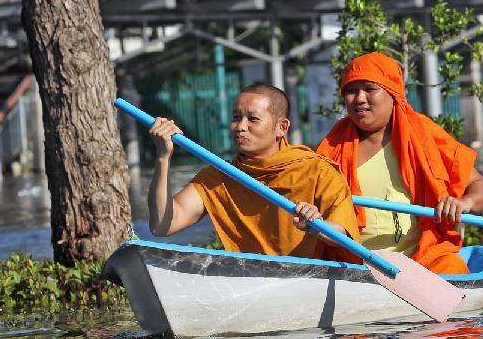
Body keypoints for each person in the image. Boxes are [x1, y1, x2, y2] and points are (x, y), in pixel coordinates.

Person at [316, 52, 483, 275]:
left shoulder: (424, 134)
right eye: (351, 91)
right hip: (355, 266)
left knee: (452, 269)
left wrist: (464, 203)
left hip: (425, 260)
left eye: (370, 89)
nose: (359, 98)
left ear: (393, 94)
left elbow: (480, 188)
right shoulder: (331, 147)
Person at [148, 83, 360, 259]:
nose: (240, 127)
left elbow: (343, 233)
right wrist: (162, 157)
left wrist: (317, 225)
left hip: (310, 279)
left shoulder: (317, 170)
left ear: (282, 127)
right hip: (250, 280)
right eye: (236, 117)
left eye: (253, 119)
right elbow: (163, 225)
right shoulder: (219, 177)